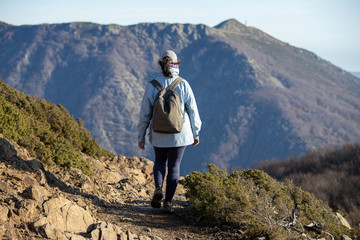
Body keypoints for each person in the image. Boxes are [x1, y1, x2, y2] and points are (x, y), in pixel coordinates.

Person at [137, 50, 202, 212]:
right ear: (176, 64)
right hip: (180, 134)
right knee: (174, 166)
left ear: (161, 64)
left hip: (158, 133)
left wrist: (141, 135)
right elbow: (193, 111)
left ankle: (158, 188)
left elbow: (145, 113)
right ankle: (168, 203)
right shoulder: (183, 84)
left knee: (159, 162)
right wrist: (196, 133)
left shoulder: (152, 85)